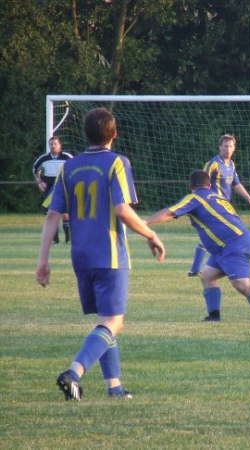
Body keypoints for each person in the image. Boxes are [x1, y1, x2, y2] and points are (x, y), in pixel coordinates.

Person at [36, 108, 166, 401]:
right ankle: (74, 372)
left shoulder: (69, 167)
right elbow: (122, 210)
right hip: (109, 255)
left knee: (107, 319)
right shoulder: (117, 162)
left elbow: (52, 215)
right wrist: (151, 233)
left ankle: (114, 387)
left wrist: (43, 261)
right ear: (114, 133)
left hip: (80, 257)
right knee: (114, 321)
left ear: (86, 134)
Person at [146, 170, 250, 323]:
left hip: (232, 245)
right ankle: (214, 317)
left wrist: (145, 222)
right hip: (231, 244)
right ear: (209, 185)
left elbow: (170, 212)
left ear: (190, 186)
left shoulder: (195, 197)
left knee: (241, 284)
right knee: (207, 276)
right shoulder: (218, 197)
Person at [188, 134, 250, 277]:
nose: (228, 149)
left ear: (234, 148)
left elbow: (236, 184)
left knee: (228, 234)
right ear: (220, 147)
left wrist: (249, 199)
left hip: (225, 207)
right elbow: (201, 183)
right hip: (212, 207)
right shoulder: (213, 164)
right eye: (225, 146)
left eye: (230, 146)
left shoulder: (231, 165)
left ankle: (196, 269)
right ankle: (242, 263)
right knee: (229, 234)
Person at [33, 136, 73, 244]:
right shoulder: (43, 158)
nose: (53, 146)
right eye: (51, 144)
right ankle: (55, 240)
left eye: (55, 144)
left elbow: (75, 169)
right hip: (50, 189)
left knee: (65, 213)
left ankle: (68, 239)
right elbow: (35, 170)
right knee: (51, 213)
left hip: (63, 187)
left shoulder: (67, 157)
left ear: (60, 145)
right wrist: (39, 182)